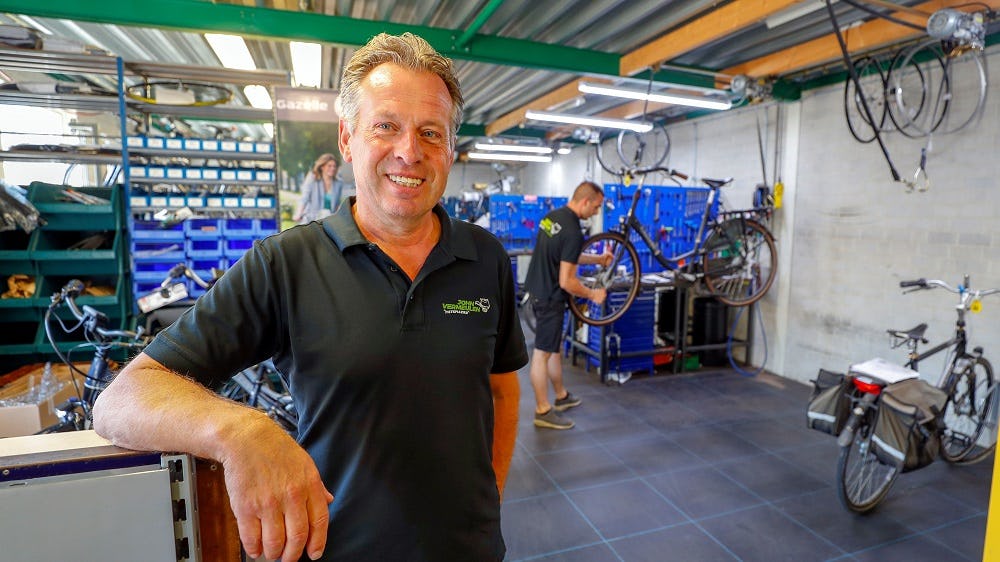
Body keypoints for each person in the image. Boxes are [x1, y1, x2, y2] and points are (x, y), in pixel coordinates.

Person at [93, 32, 527, 562]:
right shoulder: (286, 263)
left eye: (430, 133)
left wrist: (490, 500)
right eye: (386, 126)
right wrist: (241, 429)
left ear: (450, 150)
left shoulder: (486, 257)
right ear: (347, 139)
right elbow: (123, 399)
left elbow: (501, 390)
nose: (409, 152)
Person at [523, 181, 609, 430]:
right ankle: (542, 410)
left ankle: (561, 396)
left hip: (537, 289)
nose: (596, 212)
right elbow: (567, 281)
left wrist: (598, 259)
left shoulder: (552, 217)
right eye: (596, 207)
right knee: (542, 353)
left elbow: (566, 254)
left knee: (553, 348)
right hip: (550, 297)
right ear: (586, 201)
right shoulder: (573, 230)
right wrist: (593, 295)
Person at [293, 153, 344, 224]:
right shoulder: (312, 178)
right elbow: (304, 198)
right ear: (322, 167)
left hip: (329, 219)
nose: (333, 168)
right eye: (329, 166)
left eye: (334, 166)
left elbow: (337, 204)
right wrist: (299, 213)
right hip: (312, 218)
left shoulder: (338, 183)